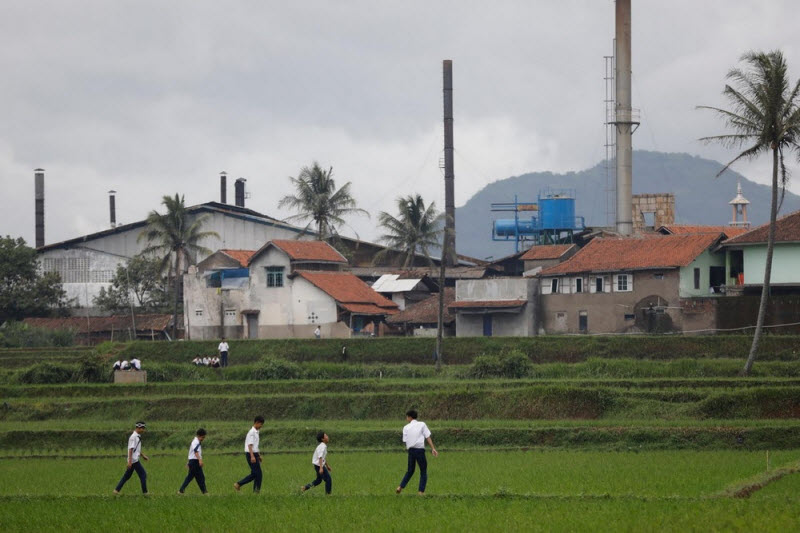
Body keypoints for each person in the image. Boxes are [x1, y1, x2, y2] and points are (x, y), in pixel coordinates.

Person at [396, 409, 438, 495]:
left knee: (410, 471)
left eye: (407, 417)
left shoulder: (406, 427)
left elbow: (405, 440)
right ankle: (421, 492)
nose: (406, 419)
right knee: (423, 471)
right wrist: (433, 448)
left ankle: (400, 487)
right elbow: (428, 437)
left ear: (409, 417)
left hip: (411, 451)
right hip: (420, 450)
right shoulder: (422, 424)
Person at [113, 421, 149, 495]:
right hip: (134, 461)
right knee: (143, 474)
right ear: (138, 428)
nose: (143, 430)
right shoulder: (133, 437)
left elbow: (136, 449)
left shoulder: (137, 436)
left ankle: (116, 491)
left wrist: (143, 455)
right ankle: (145, 493)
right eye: (142, 428)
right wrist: (129, 462)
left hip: (134, 459)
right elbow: (131, 449)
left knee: (126, 476)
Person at [234, 415, 264, 493]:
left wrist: (259, 455)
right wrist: (252, 456)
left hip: (255, 454)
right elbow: (250, 445)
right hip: (251, 454)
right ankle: (239, 484)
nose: (261, 426)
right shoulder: (252, 432)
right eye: (261, 424)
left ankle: (255, 491)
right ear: (257, 423)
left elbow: (255, 445)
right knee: (257, 474)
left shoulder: (256, 432)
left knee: (257, 474)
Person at [178, 428, 208, 495]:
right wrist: (200, 460)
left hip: (193, 461)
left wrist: (189, 462)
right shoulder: (196, 442)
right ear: (199, 436)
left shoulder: (196, 441)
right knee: (199, 477)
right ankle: (204, 492)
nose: (203, 439)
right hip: (195, 462)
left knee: (195, 477)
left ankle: (181, 490)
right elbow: (195, 452)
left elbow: (190, 452)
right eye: (202, 437)